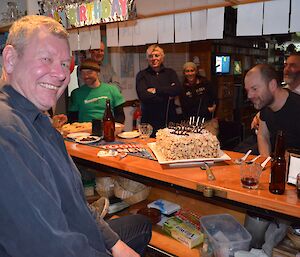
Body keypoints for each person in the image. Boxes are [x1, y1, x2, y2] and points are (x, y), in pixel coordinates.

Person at [0, 15, 151, 257]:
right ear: (10, 59)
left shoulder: (40, 122)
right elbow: (48, 247)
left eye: (63, 64)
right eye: (46, 59)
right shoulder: (7, 132)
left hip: (83, 233)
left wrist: (115, 244)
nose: (61, 75)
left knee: (140, 224)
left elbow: (75, 201)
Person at [244, 64, 300, 156]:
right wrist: (266, 161)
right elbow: (263, 135)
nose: (249, 95)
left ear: (272, 85)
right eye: (247, 90)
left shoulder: (296, 107)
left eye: (254, 89)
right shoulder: (266, 105)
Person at [136, 44, 182, 135]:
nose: (154, 58)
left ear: (162, 57)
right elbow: (143, 96)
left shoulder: (170, 73)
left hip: (169, 120)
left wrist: (156, 90)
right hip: (149, 122)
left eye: (157, 55)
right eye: (150, 56)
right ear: (147, 59)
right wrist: (167, 94)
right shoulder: (142, 75)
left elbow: (177, 90)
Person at [68, 58, 125, 123]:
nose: (86, 76)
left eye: (89, 72)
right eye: (83, 73)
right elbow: (72, 119)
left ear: (98, 73)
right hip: (84, 131)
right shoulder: (76, 93)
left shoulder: (112, 90)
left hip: (108, 129)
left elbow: (120, 117)